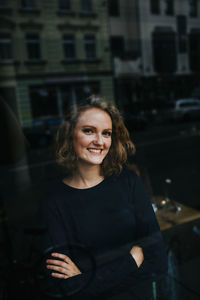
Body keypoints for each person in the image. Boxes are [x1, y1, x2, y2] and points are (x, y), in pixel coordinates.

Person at [40, 96, 167, 300]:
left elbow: (158, 264)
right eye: (89, 131)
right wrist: (130, 261)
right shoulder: (54, 199)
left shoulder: (128, 182)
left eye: (106, 133)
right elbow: (61, 286)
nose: (99, 141)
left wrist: (86, 279)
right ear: (69, 135)